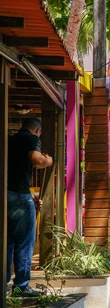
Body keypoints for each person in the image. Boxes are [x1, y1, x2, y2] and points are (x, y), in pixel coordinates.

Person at [8, 117, 53, 297]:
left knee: (6, 242)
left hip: (6, 194)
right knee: (25, 242)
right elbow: (38, 160)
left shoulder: (9, 140)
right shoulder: (31, 139)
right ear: (38, 131)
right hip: (19, 196)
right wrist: (48, 160)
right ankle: (21, 286)